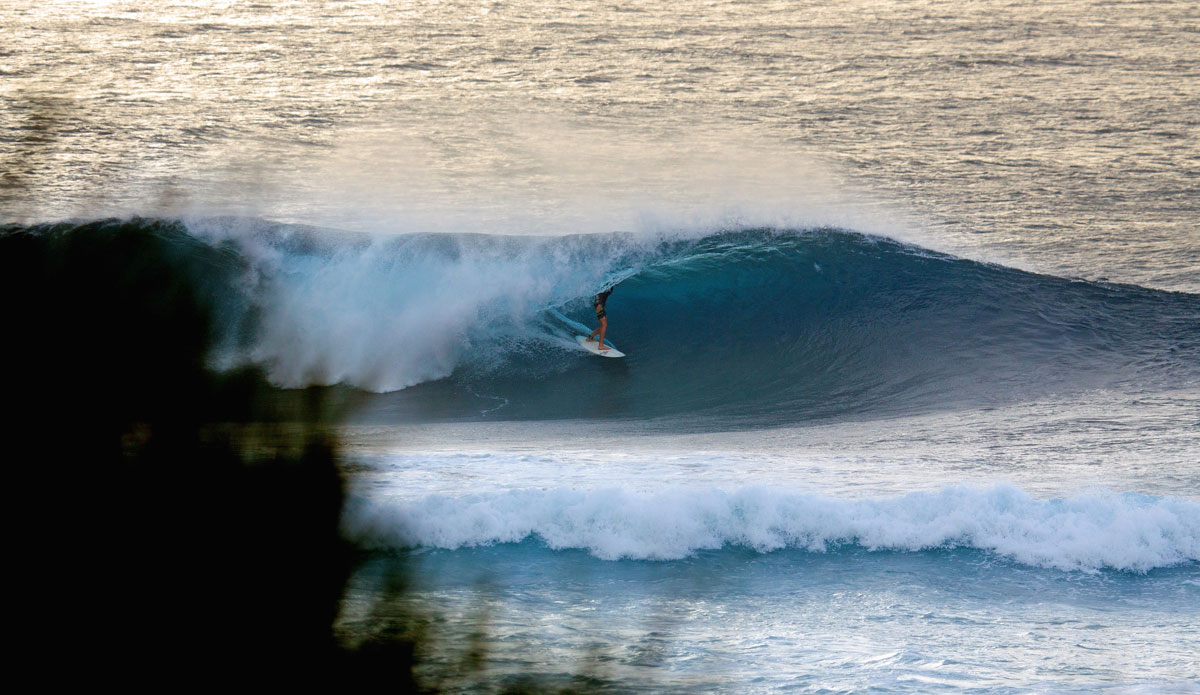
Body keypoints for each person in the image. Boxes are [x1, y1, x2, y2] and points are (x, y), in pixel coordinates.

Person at [586, 286, 615, 351]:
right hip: (599, 304)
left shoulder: (606, 284)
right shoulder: (608, 284)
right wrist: (600, 305)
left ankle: (590, 337)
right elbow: (601, 294)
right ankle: (600, 346)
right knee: (604, 325)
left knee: (603, 325)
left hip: (599, 303)